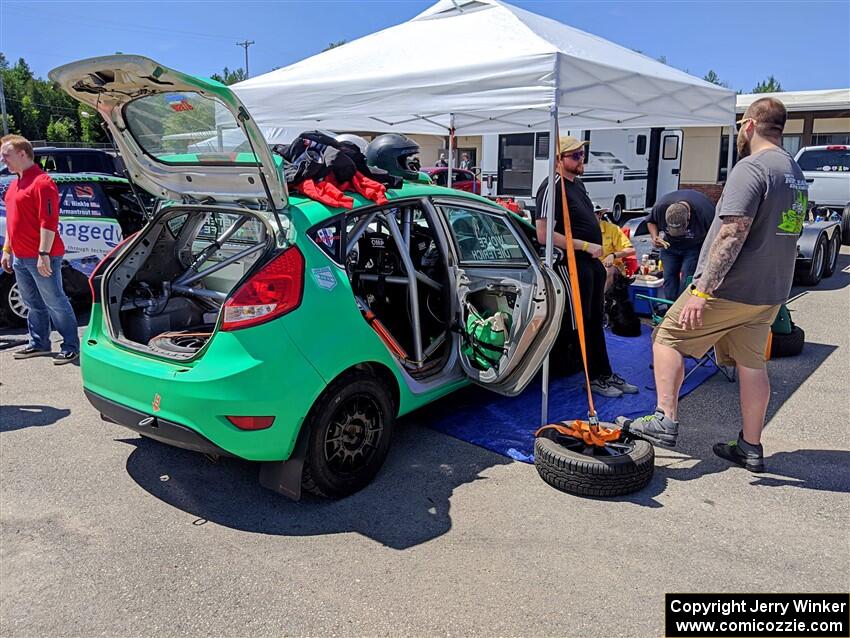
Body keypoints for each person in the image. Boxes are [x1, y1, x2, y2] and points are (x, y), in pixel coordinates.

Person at [616, 97, 807, 472]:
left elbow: (732, 232)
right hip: (770, 291)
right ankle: (750, 446)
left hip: (730, 288)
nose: (739, 131)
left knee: (667, 337)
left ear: (750, 125)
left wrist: (702, 290)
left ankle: (664, 418)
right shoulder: (793, 172)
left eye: (740, 125)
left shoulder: (751, 168)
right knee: (752, 364)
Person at [534, 136, 638, 398]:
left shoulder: (577, 184)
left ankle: (603, 373)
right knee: (584, 322)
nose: (582, 160)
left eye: (582, 154)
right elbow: (544, 235)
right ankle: (594, 378)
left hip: (591, 264)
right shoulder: (552, 187)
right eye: (576, 156)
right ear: (559, 160)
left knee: (595, 319)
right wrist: (584, 246)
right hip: (572, 264)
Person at [1, 135, 80, 364]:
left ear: (23, 153)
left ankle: (71, 346)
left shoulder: (42, 182)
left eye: (7, 155)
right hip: (20, 257)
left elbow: (49, 221)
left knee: (55, 301)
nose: (3, 159)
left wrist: (43, 254)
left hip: (43, 256)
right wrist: (7, 249)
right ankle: (39, 343)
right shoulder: (14, 184)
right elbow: (12, 222)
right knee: (32, 303)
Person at [646, 189, 715, 303]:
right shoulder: (661, 207)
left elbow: (714, 234)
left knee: (687, 279)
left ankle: (682, 307)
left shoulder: (705, 212)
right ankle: (671, 309)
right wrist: (655, 237)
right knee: (669, 277)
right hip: (669, 245)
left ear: (689, 217)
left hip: (694, 246)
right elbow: (651, 221)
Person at [596, 206, 636, 292]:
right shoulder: (581, 229)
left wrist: (613, 255)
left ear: (599, 215)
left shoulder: (612, 229)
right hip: (590, 265)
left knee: (607, 269)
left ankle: (602, 299)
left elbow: (631, 250)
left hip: (611, 266)